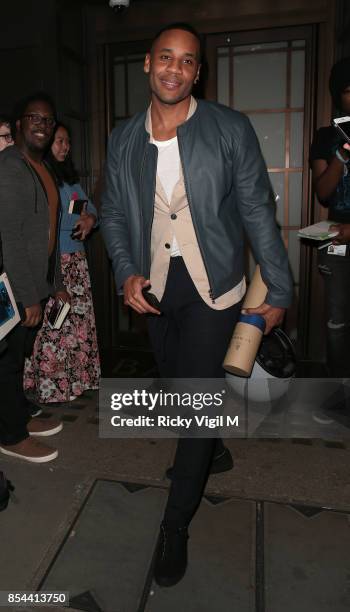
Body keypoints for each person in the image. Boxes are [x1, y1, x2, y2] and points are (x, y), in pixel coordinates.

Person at [101, 23, 292, 586]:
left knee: (194, 404)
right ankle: (213, 451)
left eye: (187, 62)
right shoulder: (124, 139)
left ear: (196, 72)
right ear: (148, 64)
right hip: (155, 287)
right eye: (166, 57)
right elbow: (113, 214)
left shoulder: (229, 128)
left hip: (215, 287)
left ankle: (175, 523)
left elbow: (258, 210)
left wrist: (278, 289)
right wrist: (126, 270)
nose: (174, 69)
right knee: (177, 386)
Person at [0, 92, 69, 463]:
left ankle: (17, 419)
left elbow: (48, 234)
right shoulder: (9, 166)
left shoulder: (42, 167)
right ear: (18, 126)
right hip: (10, 286)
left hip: (31, 282)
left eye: (48, 119)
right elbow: (9, 236)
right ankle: (11, 435)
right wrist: (27, 296)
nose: (42, 125)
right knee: (8, 362)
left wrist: (55, 283)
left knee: (16, 359)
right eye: (34, 118)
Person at [24, 123, 101, 403]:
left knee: (77, 328)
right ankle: (48, 386)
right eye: (59, 141)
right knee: (54, 327)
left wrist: (90, 218)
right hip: (55, 263)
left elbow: (89, 207)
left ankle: (75, 383)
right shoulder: (40, 176)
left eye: (67, 141)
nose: (64, 146)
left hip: (77, 262)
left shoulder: (71, 180)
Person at [310, 57, 350, 377]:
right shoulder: (326, 136)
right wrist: (341, 155)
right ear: (339, 95)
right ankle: (339, 394)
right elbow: (323, 192)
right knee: (337, 323)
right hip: (336, 237)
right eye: (349, 90)